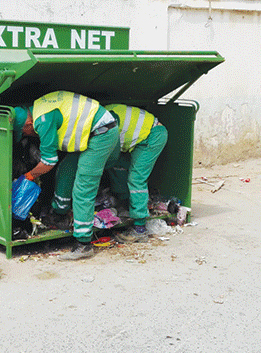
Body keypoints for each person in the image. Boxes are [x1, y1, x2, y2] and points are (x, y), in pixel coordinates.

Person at [13, 90, 119, 261]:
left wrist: (29, 176)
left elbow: (48, 161)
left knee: (83, 187)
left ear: (28, 124)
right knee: (66, 171)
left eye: (24, 133)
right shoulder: (39, 108)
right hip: (92, 132)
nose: (28, 135)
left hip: (101, 134)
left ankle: (83, 244)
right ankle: (59, 212)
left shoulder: (42, 121)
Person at [104, 104, 168, 242]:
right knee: (118, 166)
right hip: (141, 138)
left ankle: (140, 228)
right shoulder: (103, 115)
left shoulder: (106, 119)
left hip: (153, 135)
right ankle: (125, 204)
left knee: (136, 178)